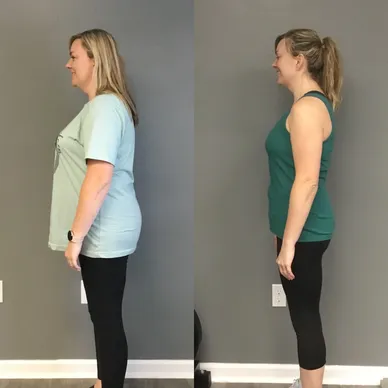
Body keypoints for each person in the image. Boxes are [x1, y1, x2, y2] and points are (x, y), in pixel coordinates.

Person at [48, 28, 142, 388]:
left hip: (103, 229)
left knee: (105, 319)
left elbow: (100, 176)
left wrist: (76, 237)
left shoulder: (104, 106)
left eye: (74, 56)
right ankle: (105, 382)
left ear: (94, 60)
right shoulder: (106, 105)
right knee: (104, 318)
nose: (68, 63)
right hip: (108, 226)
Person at [265, 28, 343, 388]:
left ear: (299, 61)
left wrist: (289, 243)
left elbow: (308, 180)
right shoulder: (306, 106)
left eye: (279, 56)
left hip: (304, 234)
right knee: (303, 315)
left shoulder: (309, 108)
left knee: (306, 317)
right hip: (299, 231)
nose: (274, 63)